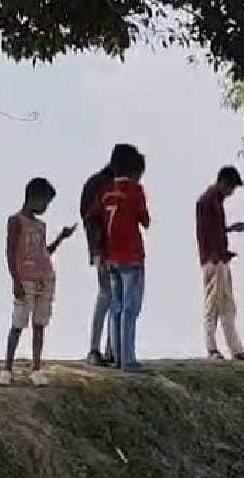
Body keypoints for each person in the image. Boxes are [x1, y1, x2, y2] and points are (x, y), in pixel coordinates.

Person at [0, 178, 75, 386]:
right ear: (34, 198)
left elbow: (43, 252)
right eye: (45, 202)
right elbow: (11, 252)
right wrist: (16, 280)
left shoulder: (40, 226)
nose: (45, 207)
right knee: (18, 323)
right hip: (25, 279)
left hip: (44, 279)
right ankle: (7, 368)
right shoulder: (16, 221)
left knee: (39, 324)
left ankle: (36, 368)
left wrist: (60, 238)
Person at [80, 143, 138, 367]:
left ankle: (111, 348)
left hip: (113, 250)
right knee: (107, 295)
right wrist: (97, 250)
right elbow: (91, 220)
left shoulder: (103, 183)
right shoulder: (101, 185)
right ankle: (95, 349)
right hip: (105, 249)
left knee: (115, 298)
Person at [94, 150, 151, 372]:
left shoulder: (106, 192)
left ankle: (117, 357)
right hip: (132, 256)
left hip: (111, 257)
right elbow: (145, 220)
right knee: (130, 308)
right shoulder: (135, 190)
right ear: (136, 171)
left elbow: (96, 218)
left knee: (115, 308)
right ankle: (128, 359)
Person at [196, 165, 244, 361]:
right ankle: (211, 348)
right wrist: (216, 255)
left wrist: (229, 230)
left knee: (228, 305)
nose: (231, 192)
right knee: (213, 305)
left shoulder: (215, 201)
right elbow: (205, 232)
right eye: (231, 187)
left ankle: (235, 349)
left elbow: (214, 229)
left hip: (220, 258)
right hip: (214, 259)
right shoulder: (207, 200)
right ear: (223, 183)